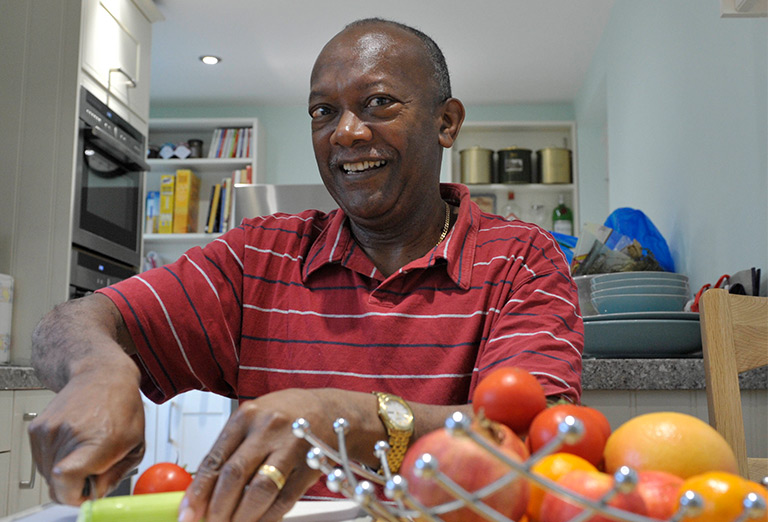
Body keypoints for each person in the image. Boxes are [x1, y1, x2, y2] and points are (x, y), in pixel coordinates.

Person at [29, 17, 583, 522]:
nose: (346, 132)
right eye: (323, 112)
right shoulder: (259, 256)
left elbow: (542, 437)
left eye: (379, 103)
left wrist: (344, 419)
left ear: (446, 122)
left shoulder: (522, 260)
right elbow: (72, 323)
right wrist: (98, 371)